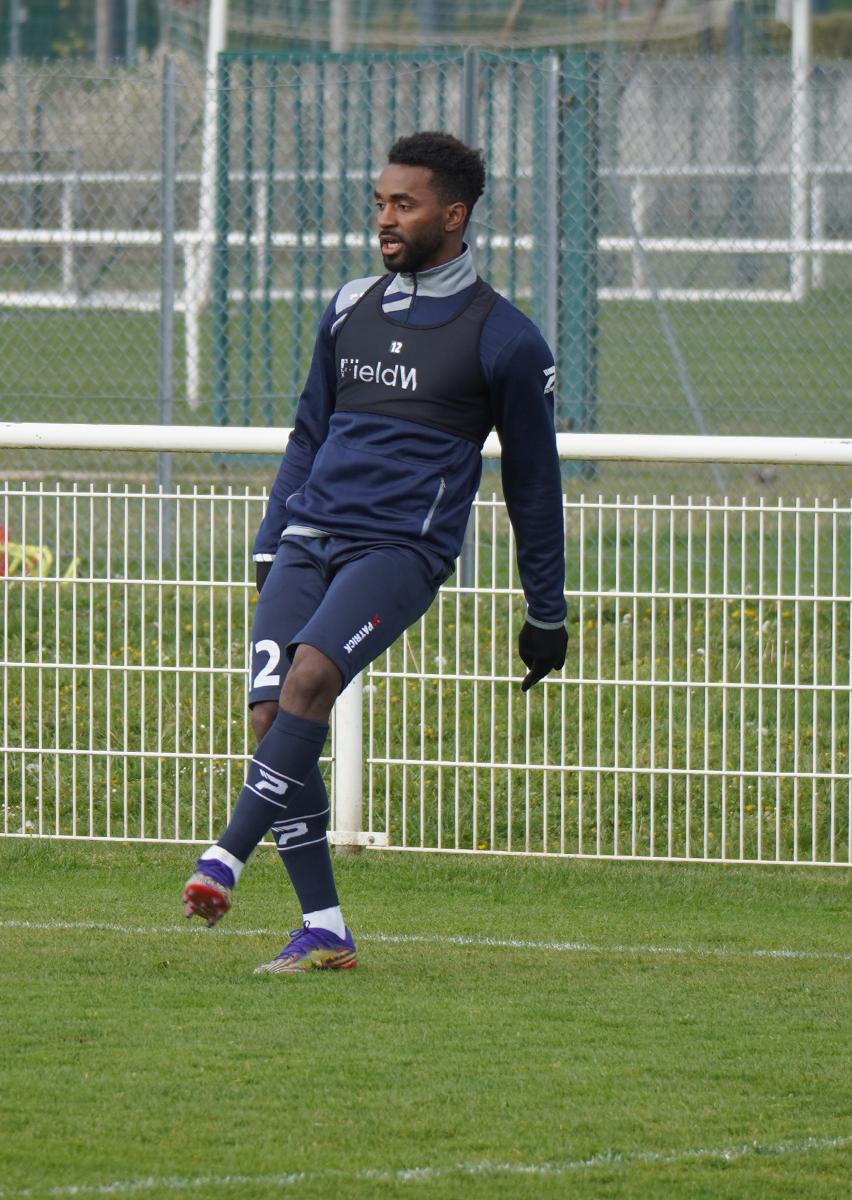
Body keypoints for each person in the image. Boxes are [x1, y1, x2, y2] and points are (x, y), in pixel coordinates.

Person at [181, 131, 569, 973]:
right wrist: (266, 544)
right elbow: (308, 432)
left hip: (399, 550)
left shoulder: (507, 339)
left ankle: (225, 858)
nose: (385, 220)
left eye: (405, 205)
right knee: (268, 719)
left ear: (454, 215)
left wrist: (546, 610)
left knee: (310, 680)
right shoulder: (349, 305)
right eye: (380, 204)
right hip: (308, 539)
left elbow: (534, 486)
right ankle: (325, 926)